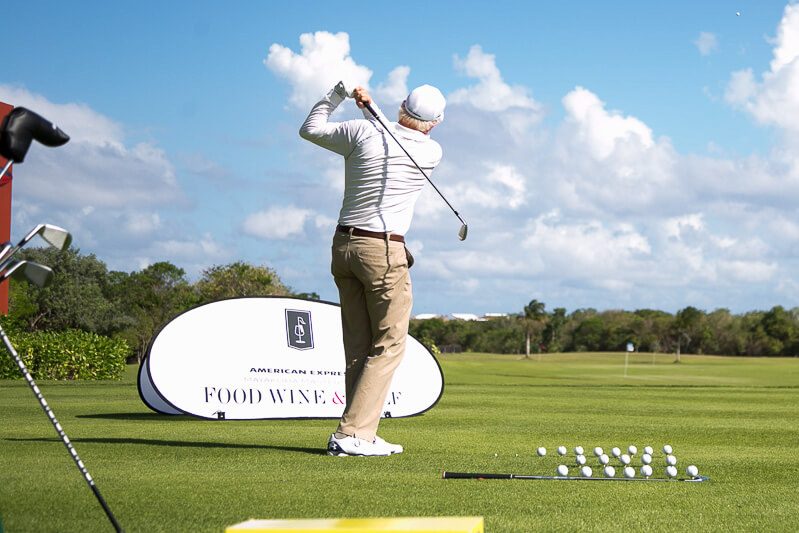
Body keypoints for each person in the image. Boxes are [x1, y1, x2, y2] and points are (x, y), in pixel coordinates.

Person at [299, 81, 446, 456]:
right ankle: (353, 434)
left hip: (344, 247)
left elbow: (310, 129)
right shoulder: (431, 151)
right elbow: (396, 135)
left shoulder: (361, 130)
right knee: (389, 344)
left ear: (401, 106)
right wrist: (369, 108)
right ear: (436, 122)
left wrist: (339, 97)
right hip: (382, 251)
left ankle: (360, 429)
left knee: (359, 346)